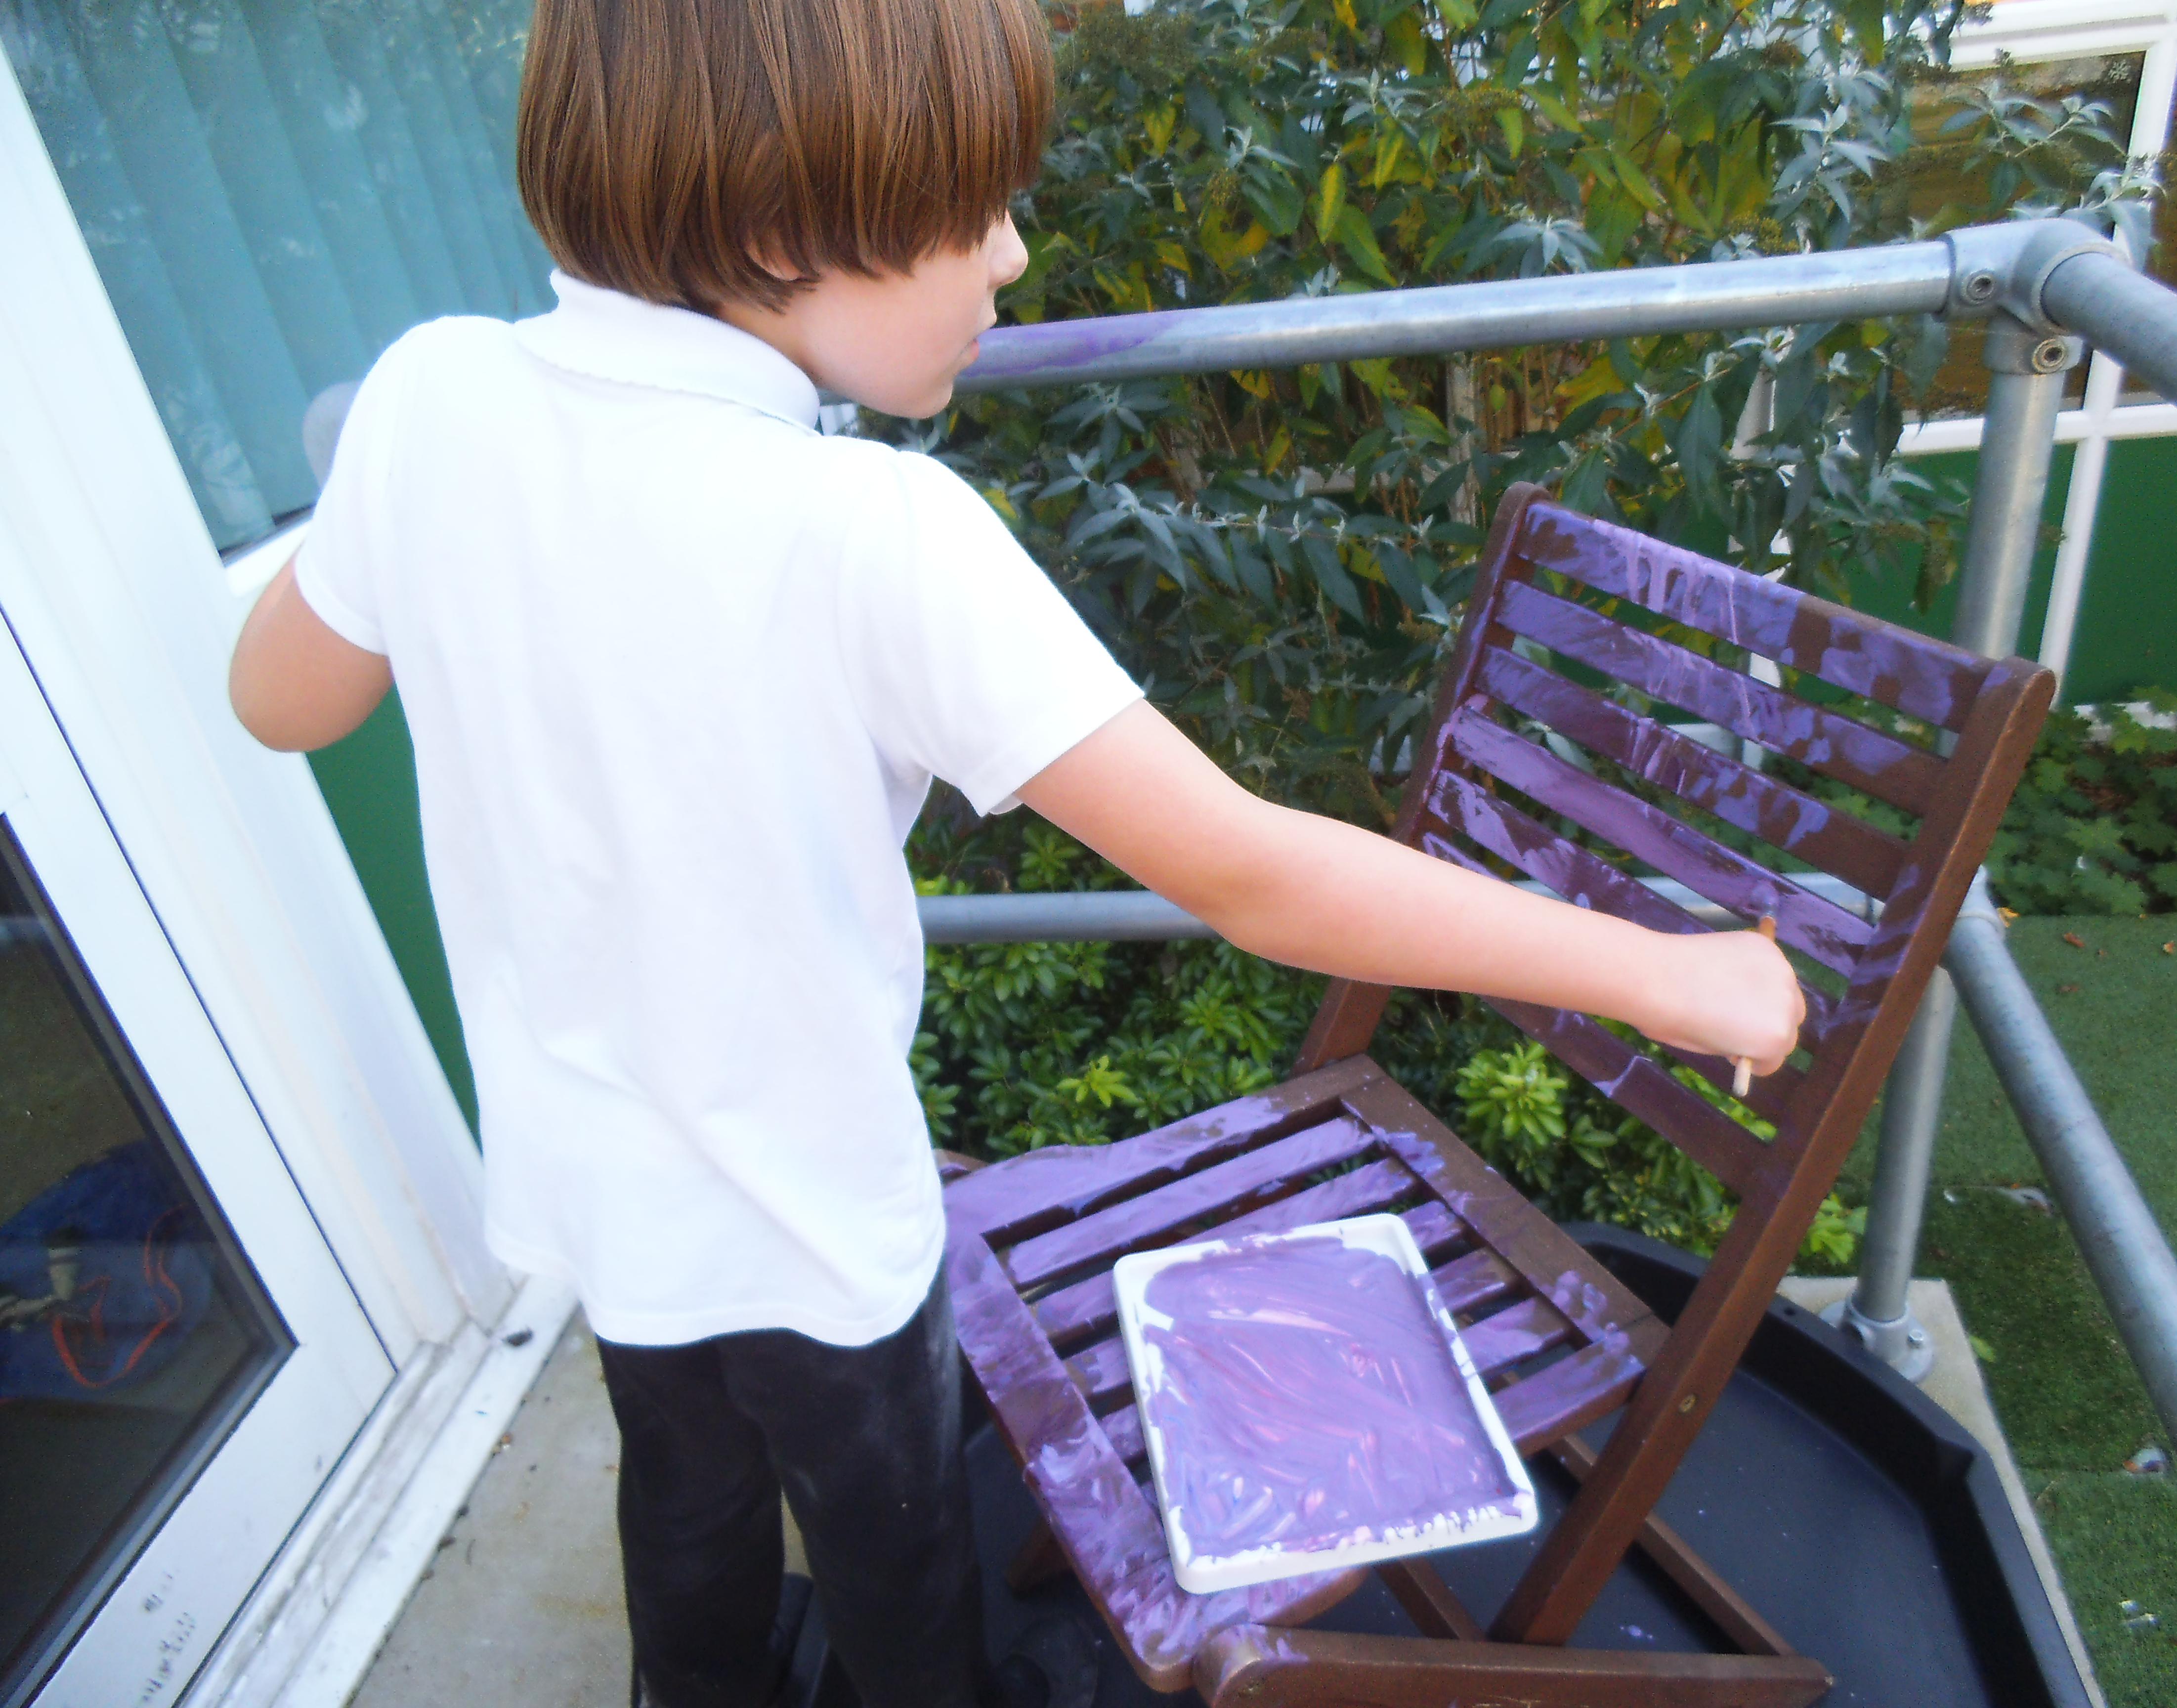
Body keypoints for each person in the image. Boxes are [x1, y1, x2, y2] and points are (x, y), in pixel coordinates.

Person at [226, 0, 1806, 1701]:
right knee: (894, 1551)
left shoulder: (435, 395)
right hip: (817, 1228)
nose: (1012, 253)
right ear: (780, 228)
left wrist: (404, 512)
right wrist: (1664, 974)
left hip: (592, 1190)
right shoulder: (874, 531)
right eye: (971, 209)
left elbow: (280, 700)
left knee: (684, 1499)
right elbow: (1250, 872)